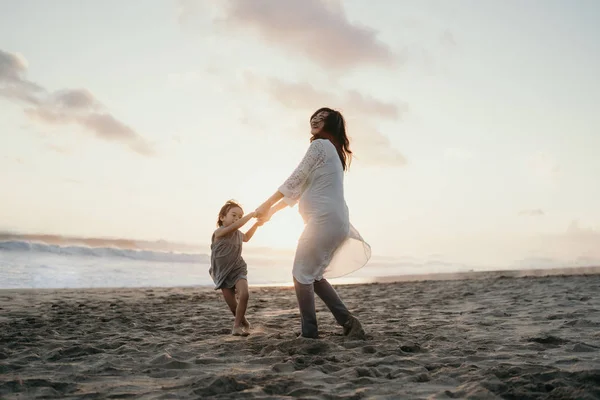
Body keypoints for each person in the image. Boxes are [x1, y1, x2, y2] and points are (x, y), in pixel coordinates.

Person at [255, 107, 371, 339]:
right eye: (314, 117)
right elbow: (299, 189)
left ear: (331, 124)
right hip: (335, 221)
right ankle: (348, 323)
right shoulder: (332, 150)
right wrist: (271, 213)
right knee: (314, 276)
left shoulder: (319, 146)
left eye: (322, 118)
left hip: (324, 220)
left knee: (301, 274)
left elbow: (295, 177)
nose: (315, 120)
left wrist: (265, 205)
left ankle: (309, 334)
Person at [210, 200, 263, 336]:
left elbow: (246, 237)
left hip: (237, 268)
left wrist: (256, 224)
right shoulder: (219, 232)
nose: (237, 219)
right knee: (233, 306)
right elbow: (235, 227)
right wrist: (251, 215)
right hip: (222, 273)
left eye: (240, 217)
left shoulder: (238, 234)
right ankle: (244, 322)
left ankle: (236, 326)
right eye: (234, 215)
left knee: (244, 294)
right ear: (222, 218)